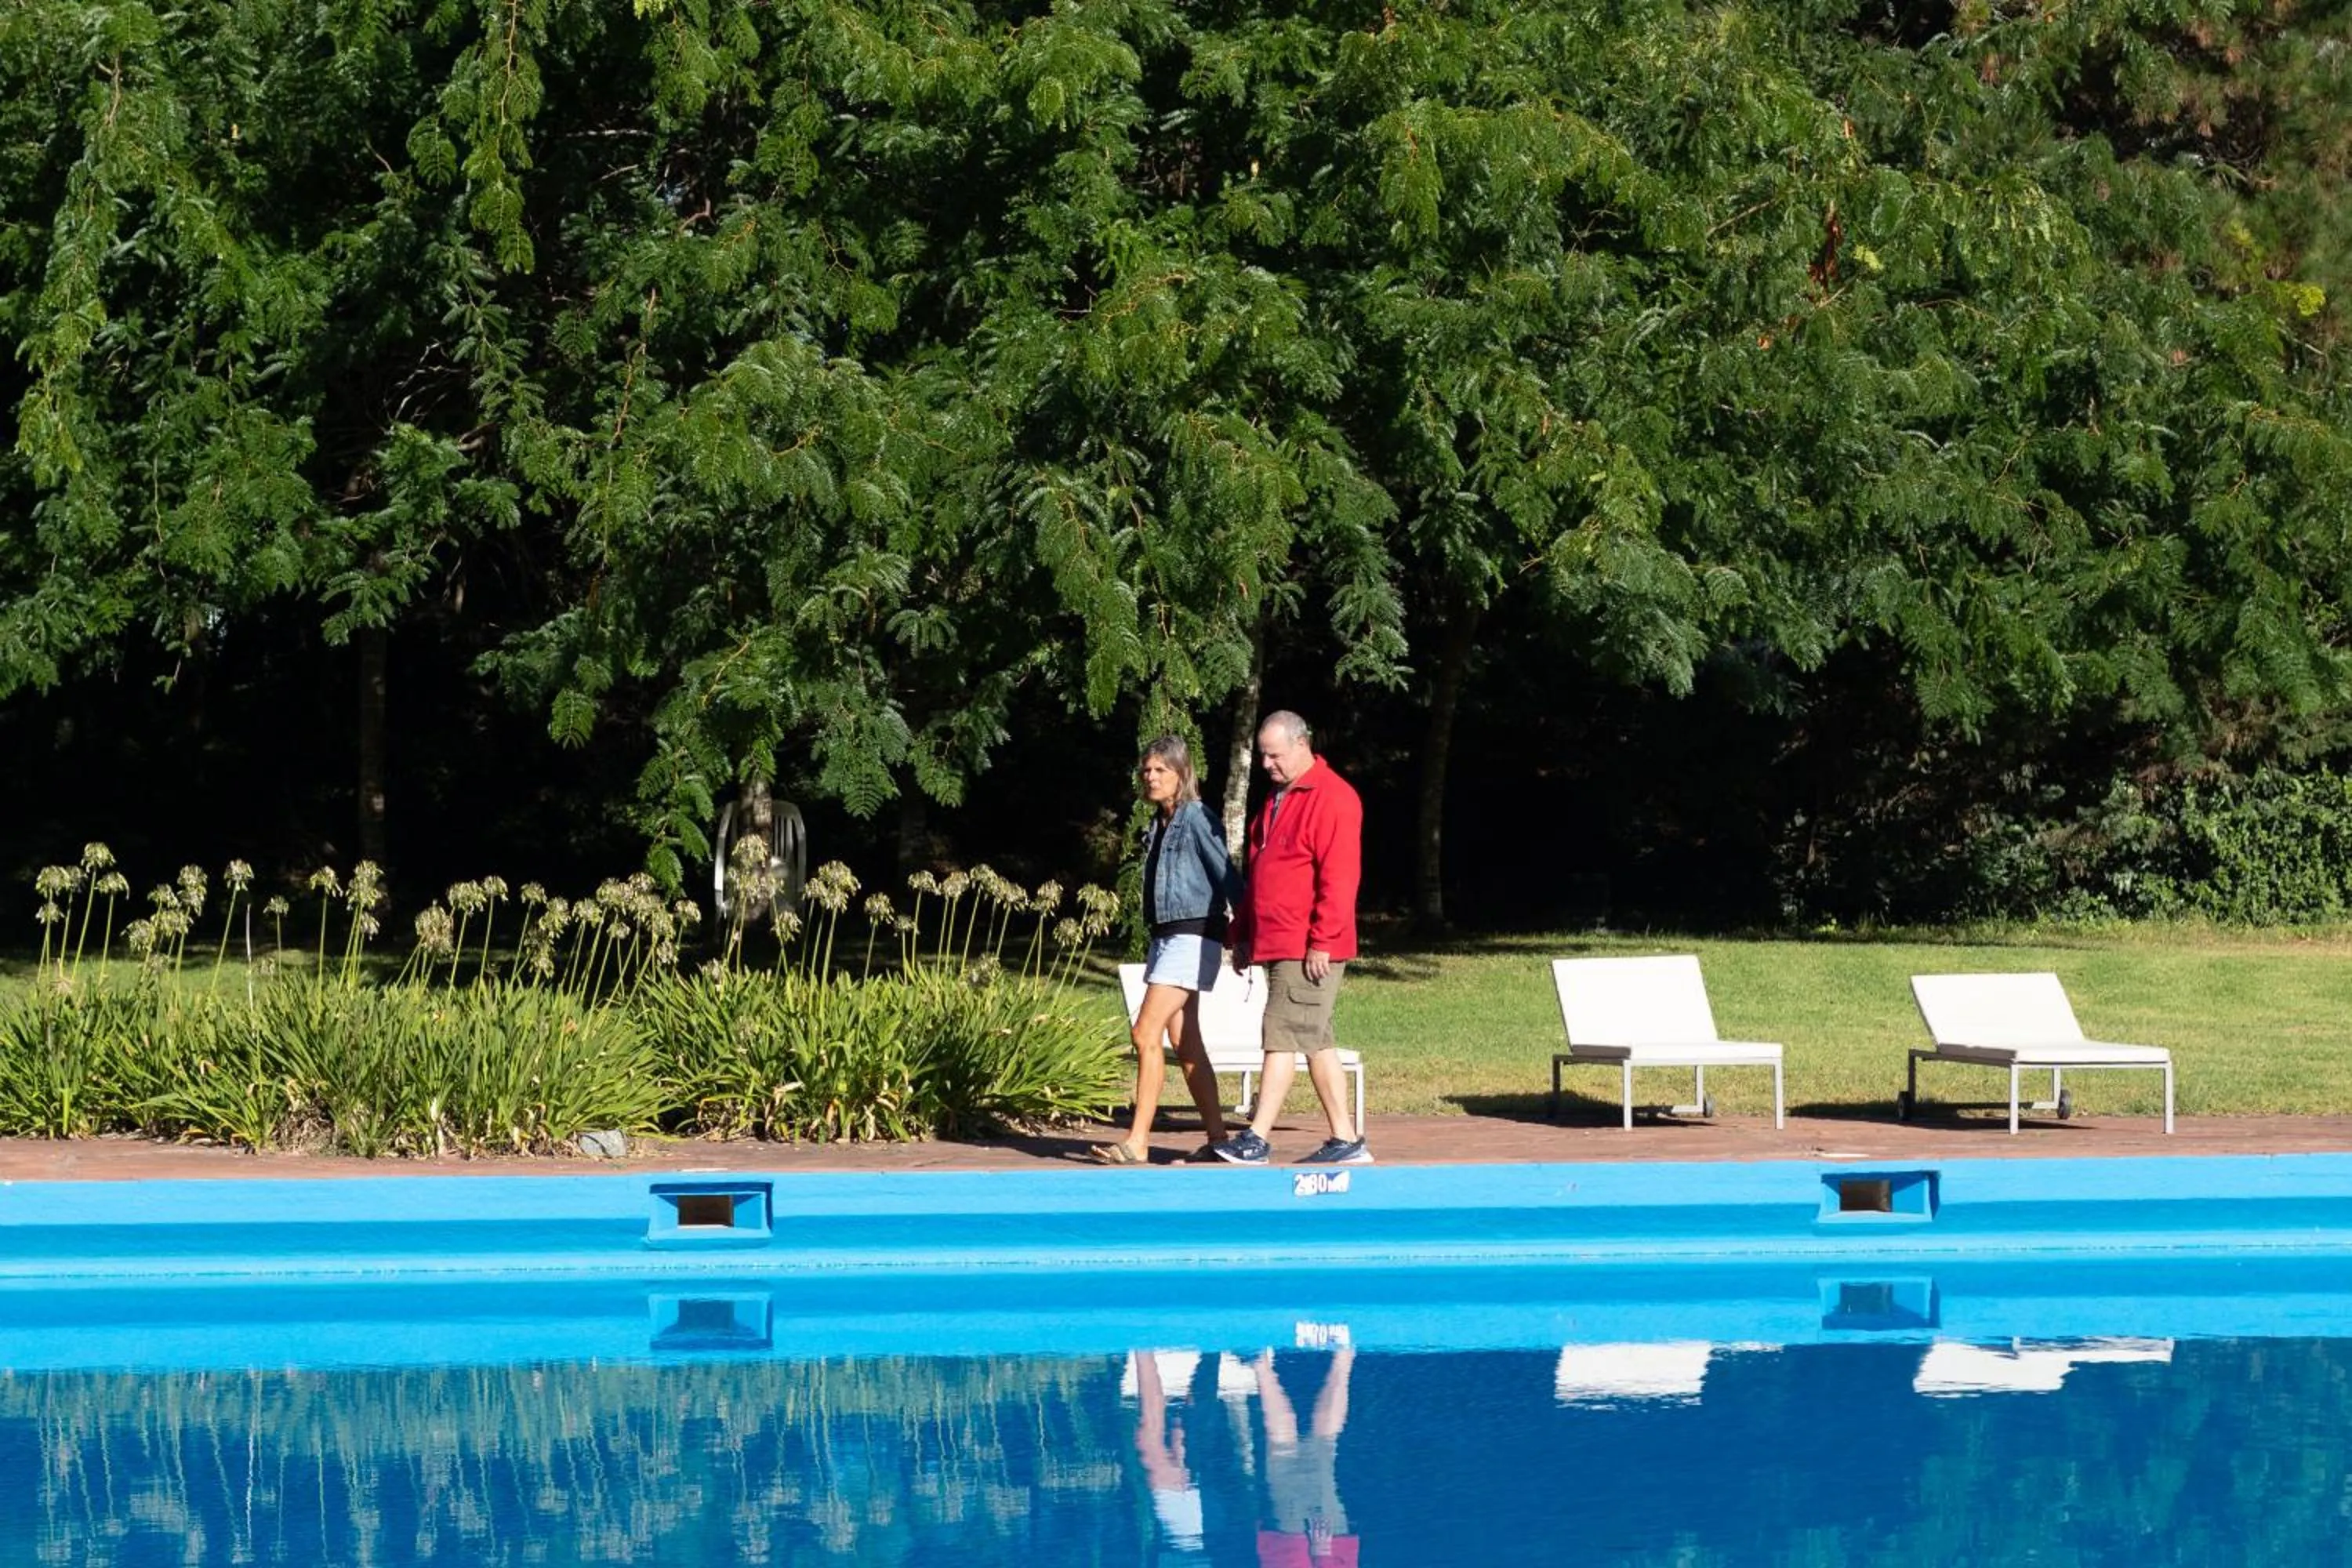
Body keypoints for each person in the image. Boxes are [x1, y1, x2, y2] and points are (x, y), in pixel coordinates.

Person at [1214, 711, 1368, 1166]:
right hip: (1279, 941)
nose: (1267, 764)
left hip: (1307, 947)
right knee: (1314, 1039)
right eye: (1262, 755)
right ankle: (1346, 1139)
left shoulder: (1333, 797)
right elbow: (1261, 874)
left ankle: (1256, 1137)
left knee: (1280, 1034)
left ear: (1303, 744)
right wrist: (1243, 933)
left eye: (1275, 755)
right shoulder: (1277, 799)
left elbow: (1340, 877)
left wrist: (1323, 939)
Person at [1094, 734, 1244, 1164]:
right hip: (1167, 938)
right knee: (1186, 1043)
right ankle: (1218, 1139)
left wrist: (1246, 932)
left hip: (1192, 937)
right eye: (1146, 770)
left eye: (1161, 770)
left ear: (1182, 774)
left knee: (1145, 1033)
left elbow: (1227, 875)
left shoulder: (1196, 817)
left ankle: (1137, 1141)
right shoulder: (1159, 823)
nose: (1151, 777)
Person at [1250, 1346, 1359, 1568]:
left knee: (1318, 1450)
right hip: (1305, 1549)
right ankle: (1260, 1362)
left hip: (1296, 1549)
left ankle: (1344, 1357)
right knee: (1298, 1453)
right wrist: (1322, 1556)